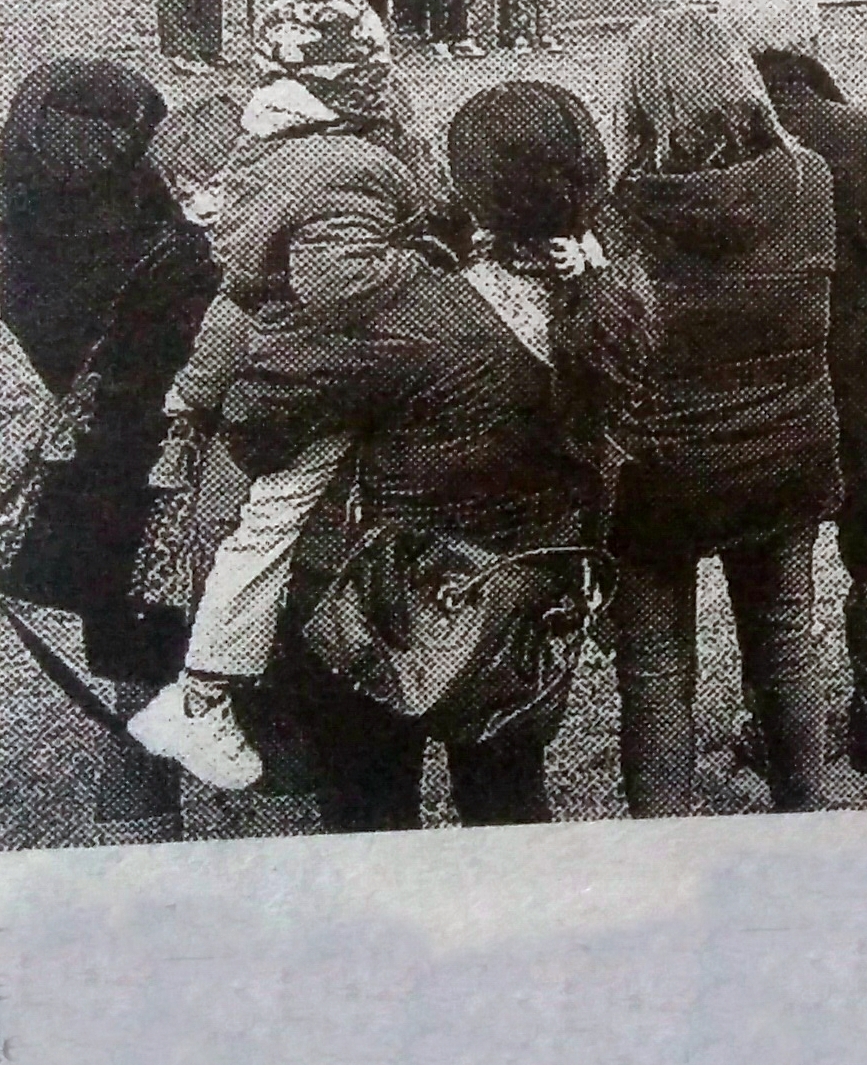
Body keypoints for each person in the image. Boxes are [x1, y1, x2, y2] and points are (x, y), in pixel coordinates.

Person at [217, 82, 623, 832]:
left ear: (469, 190)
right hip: (527, 599)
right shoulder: (609, 298)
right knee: (507, 805)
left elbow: (253, 425)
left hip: (388, 603)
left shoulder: (418, 313)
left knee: (368, 815)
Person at [125, 0, 443, 792]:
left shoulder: (266, 150)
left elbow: (242, 290)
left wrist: (193, 394)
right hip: (320, 382)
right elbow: (342, 289)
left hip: (270, 363)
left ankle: (211, 691)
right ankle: (207, 697)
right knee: (276, 526)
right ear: (364, 81)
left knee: (254, 530)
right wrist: (421, 261)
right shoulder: (348, 164)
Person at [599, 8, 844, 815]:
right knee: (784, 643)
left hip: (660, 474)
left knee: (656, 671)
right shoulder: (809, 180)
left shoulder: (617, 212)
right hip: (784, 452)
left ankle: (663, 843)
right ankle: (803, 813)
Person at [0, 67, 233, 840]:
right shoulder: (183, 255)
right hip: (220, 471)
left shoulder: (19, 241)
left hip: (107, 480)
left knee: (137, 716)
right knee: (270, 698)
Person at [728, 0, 867, 775]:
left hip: (762, 387)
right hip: (851, 380)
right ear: (810, 44)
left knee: (774, 564)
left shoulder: (710, 144)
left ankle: (785, 717)